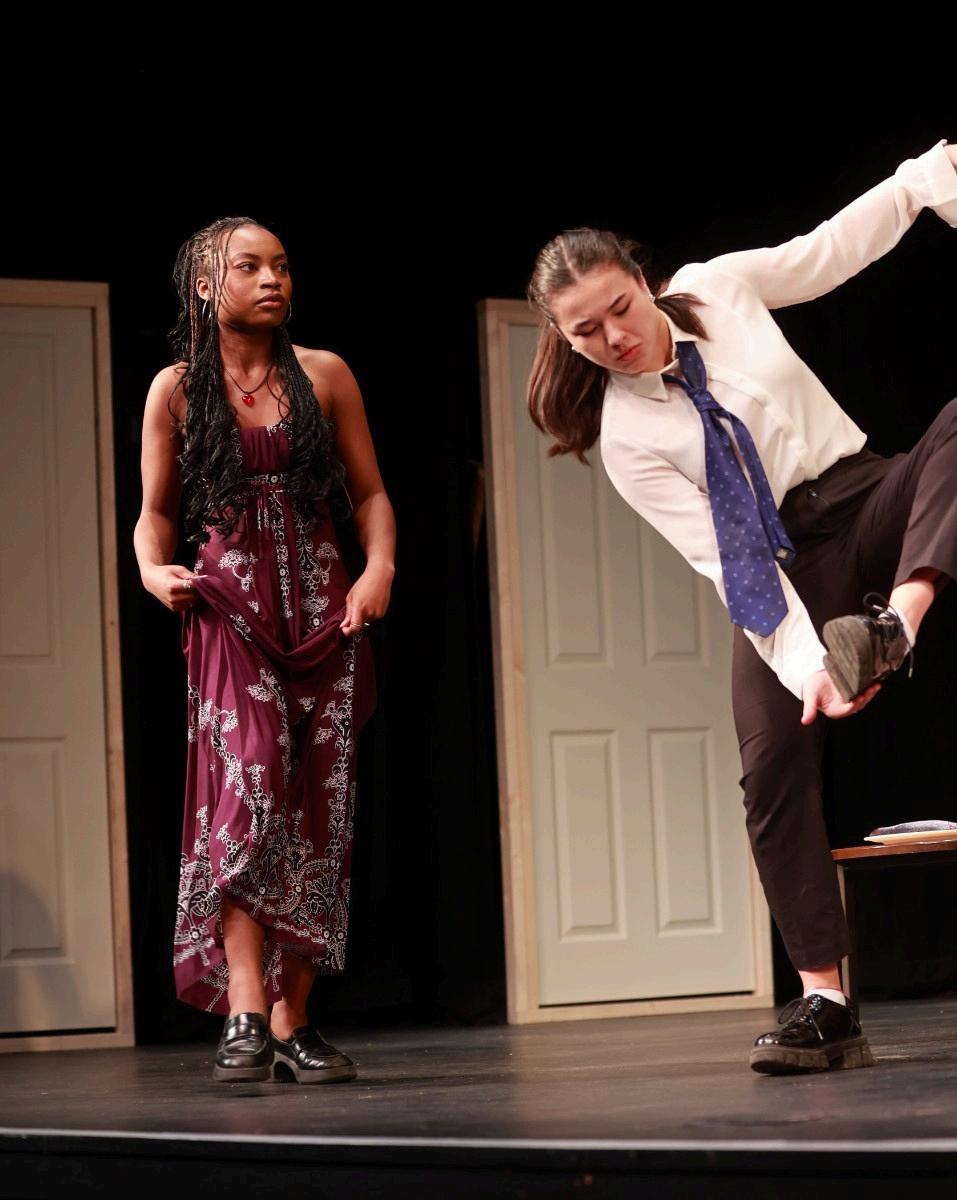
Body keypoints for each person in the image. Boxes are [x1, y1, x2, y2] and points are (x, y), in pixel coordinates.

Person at [526, 139, 957, 1074]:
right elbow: (735, 568)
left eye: (619, 307)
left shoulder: (714, 287)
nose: (614, 336)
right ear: (563, 338)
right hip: (782, 564)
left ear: (640, 280)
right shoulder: (626, 435)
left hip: (862, 495)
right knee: (768, 768)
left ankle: (898, 624)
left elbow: (827, 249)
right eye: (585, 331)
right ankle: (824, 1001)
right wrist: (810, 671)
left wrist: (917, 183)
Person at [134, 217, 395, 1083]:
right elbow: (156, 512)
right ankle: (246, 1002)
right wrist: (150, 569)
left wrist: (378, 570)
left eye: (281, 265)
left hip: (324, 613)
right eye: (249, 266)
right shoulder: (177, 389)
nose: (272, 279)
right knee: (247, 787)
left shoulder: (325, 374)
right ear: (207, 285)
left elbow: (370, 495)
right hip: (230, 613)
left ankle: (292, 1017)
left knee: (317, 803)